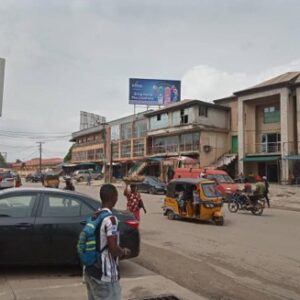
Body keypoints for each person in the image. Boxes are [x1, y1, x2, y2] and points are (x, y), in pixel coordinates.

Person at [84, 184, 131, 300]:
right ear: (113, 198)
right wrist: (124, 251)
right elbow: (113, 249)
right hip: (105, 276)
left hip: (90, 271)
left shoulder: (95, 215)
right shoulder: (111, 219)